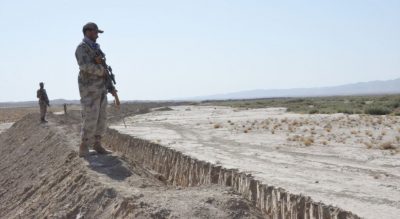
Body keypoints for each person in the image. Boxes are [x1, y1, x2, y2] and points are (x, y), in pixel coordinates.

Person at [75, 22, 111, 157]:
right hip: (89, 89)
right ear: (88, 32)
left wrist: (108, 82)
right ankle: (84, 146)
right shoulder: (82, 48)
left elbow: (102, 65)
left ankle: (97, 144)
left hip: (100, 88)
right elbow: (84, 66)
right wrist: (101, 71)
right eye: (96, 32)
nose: (97, 36)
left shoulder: (96, 48)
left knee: (102, 117)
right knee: (90, 116)